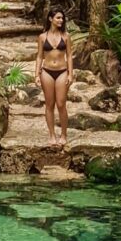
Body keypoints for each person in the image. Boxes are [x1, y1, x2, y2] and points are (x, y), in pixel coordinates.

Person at [34, 8, 73, 147]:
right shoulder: (42, 37)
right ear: (50, 19)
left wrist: (70, 73)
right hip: (47, 72)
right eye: (58, 18)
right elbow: (39, 56)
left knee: (61, 104)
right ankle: (52, 135)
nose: (61, 20)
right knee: (49, 104)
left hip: (62, 71)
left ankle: (64, 134)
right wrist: (36, 74)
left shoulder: (66, 36)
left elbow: (69, 56)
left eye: (62, 18)